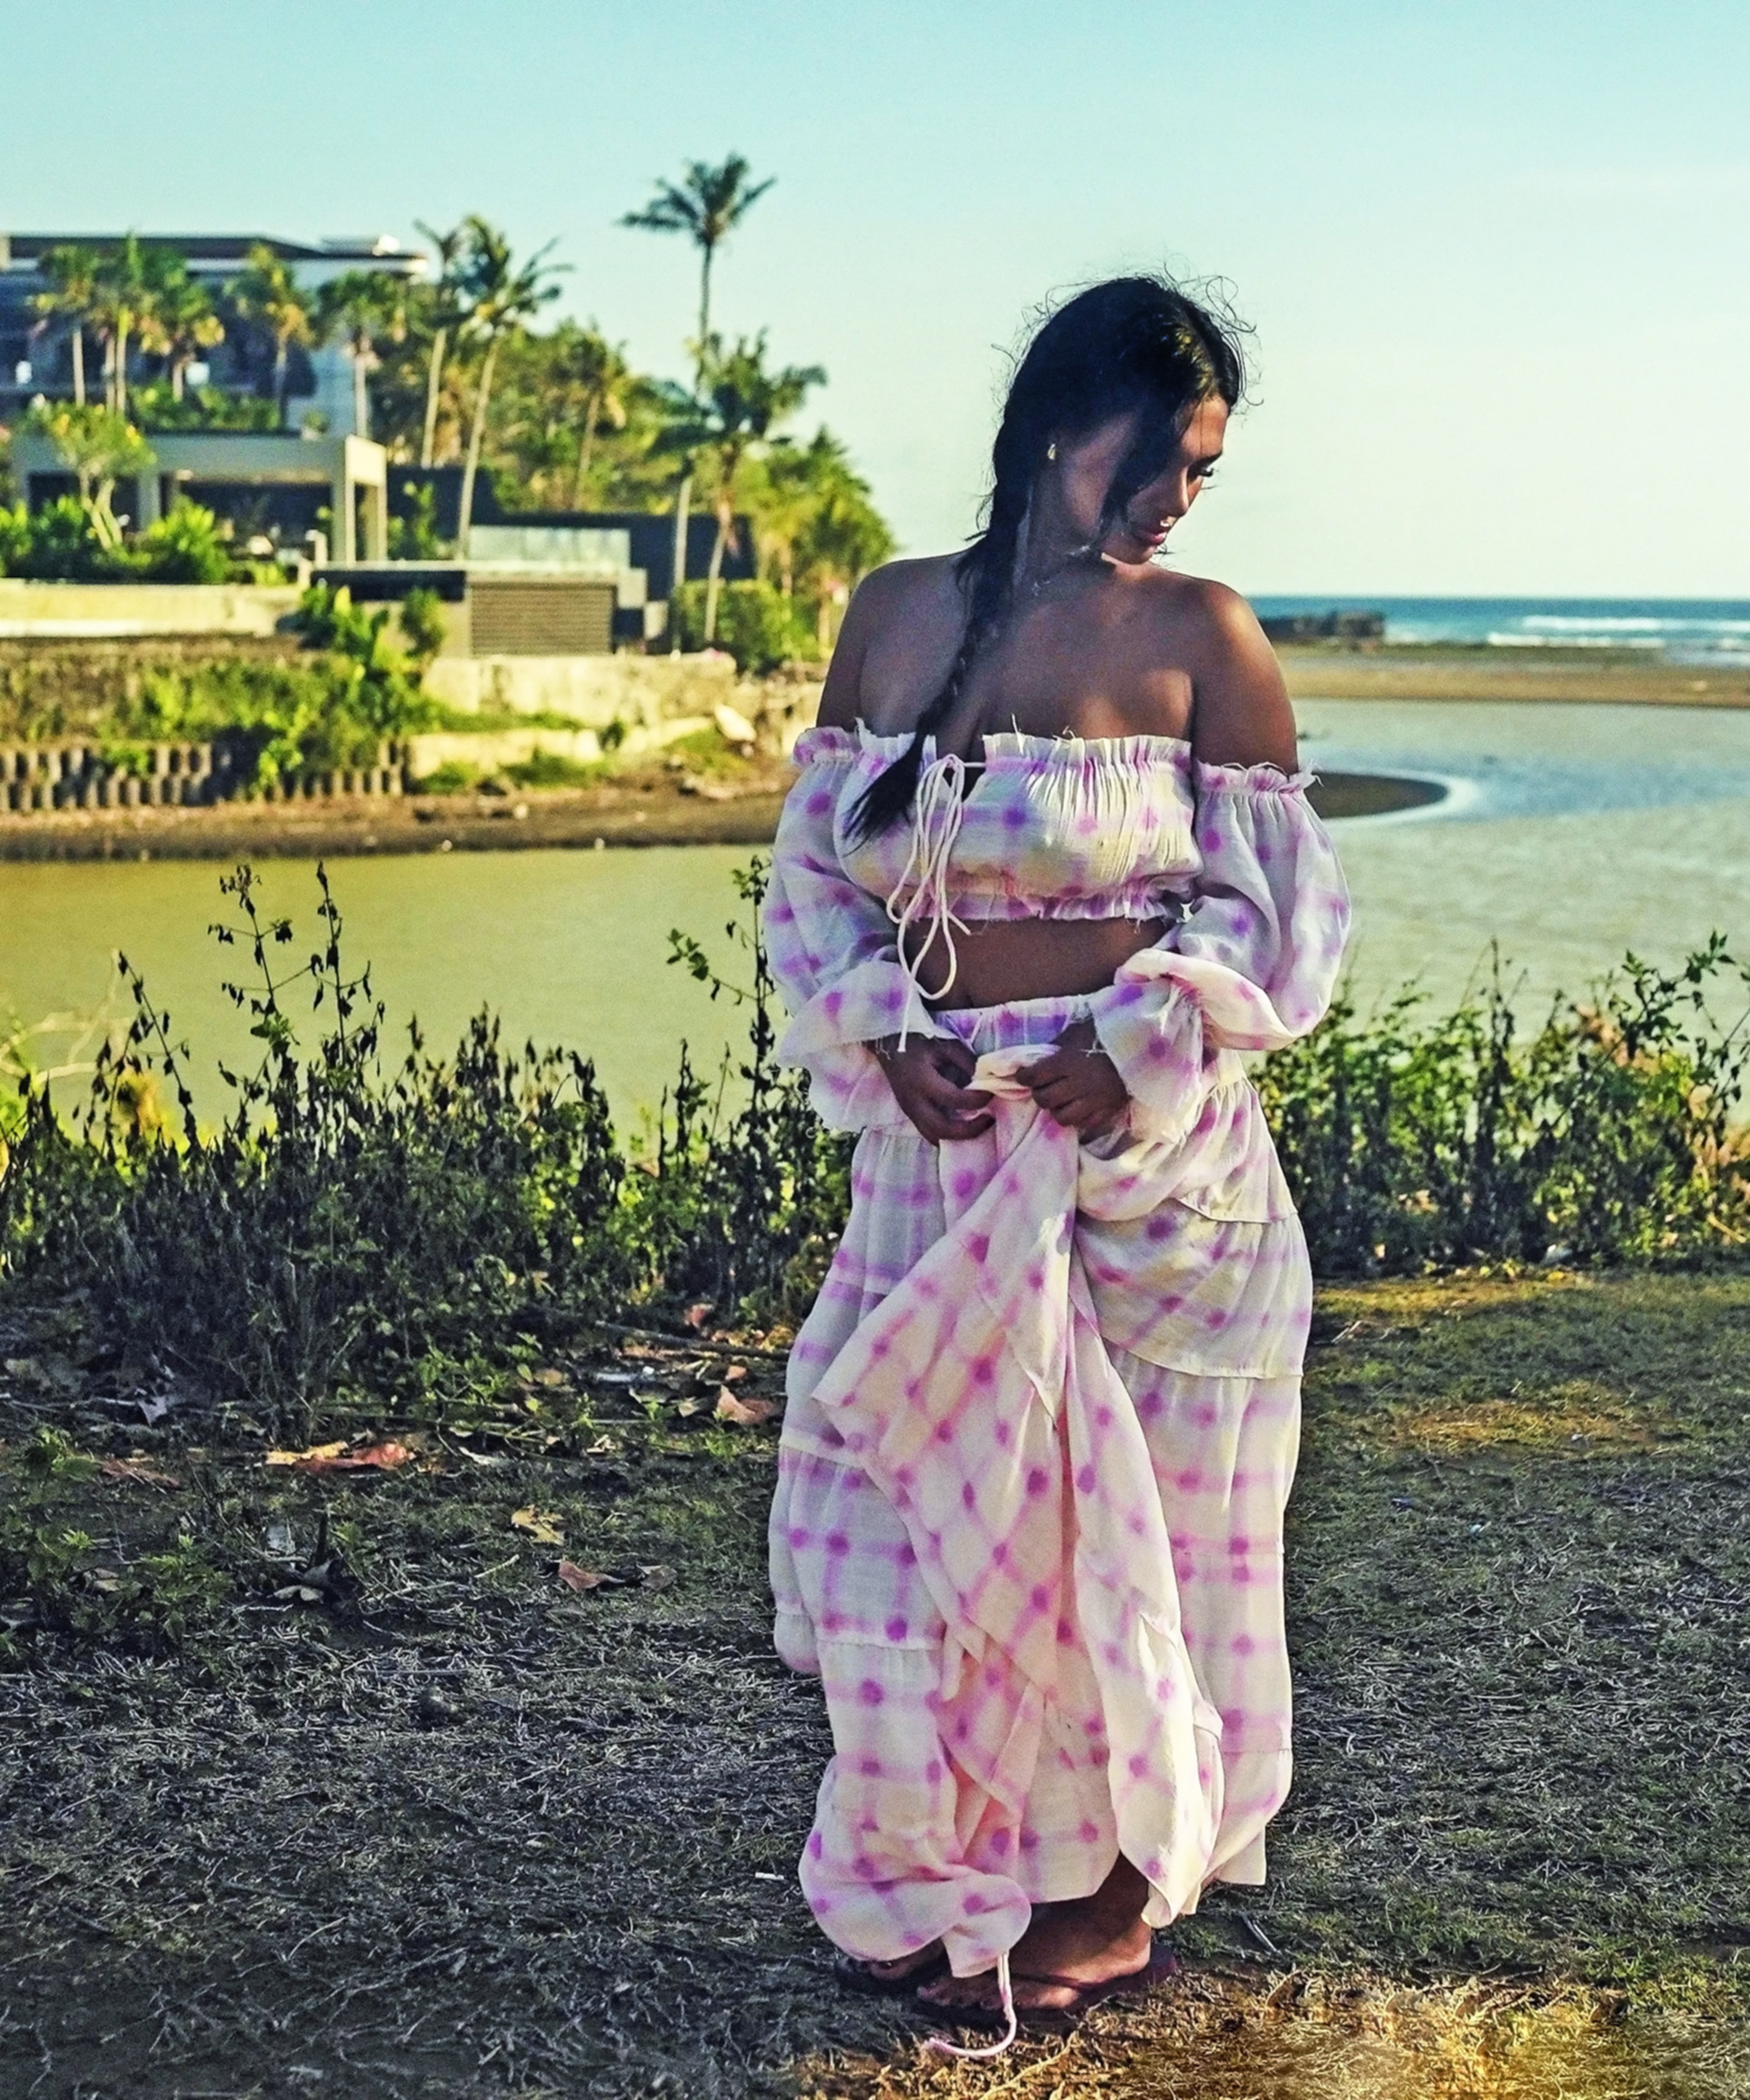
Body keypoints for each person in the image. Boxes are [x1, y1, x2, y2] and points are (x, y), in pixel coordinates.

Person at [762, 275, 1351, 2050]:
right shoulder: (894, 616)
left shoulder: (1203, 636)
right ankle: (938, 1859)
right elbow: (813, 876)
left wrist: (1143, 1038)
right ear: (1049, 428)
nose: (1176, 498)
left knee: (1149, 1551)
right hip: (940, 1164)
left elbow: (1275, 914)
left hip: (1148, 1180)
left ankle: (1107, 1889)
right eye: (1153, 456)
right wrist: (883, 1022)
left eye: (1204, 470)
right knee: (891, 1530)